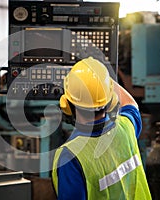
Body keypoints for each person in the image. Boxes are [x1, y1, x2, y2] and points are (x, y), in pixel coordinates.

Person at [52, 57, 151, 199]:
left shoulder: (70, 157)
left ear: (66, 105)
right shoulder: (125, 127)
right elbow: (131, 103)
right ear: (111, 100)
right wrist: (101, 78)